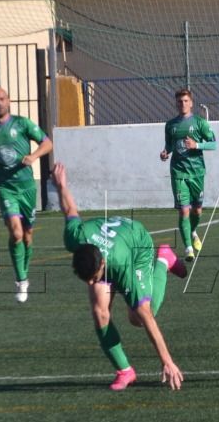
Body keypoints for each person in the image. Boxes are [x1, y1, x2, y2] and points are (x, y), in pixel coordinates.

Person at [52, 162, 186, 391]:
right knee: (99, 311)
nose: (92, 283)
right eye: (87, 280)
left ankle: (164, 259)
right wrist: (62, 186)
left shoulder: (121, 267)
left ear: (102, 265)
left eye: (94, 278)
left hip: (136, 245)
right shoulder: (75, 239)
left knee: (139, 316)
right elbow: (70, 212)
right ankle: (125, 371)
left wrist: (168, 362)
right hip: (111, 243)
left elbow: (147, 318)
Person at [0, 86, 53, 303]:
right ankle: (21, 280)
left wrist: (34, 155)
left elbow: (47, 143)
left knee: (27, 236)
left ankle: (24, 273)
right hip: (4, 187)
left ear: (9, 101)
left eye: (2, 99)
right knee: (16, 233)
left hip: (26, 187)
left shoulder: (23, 124)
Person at [160, 88, 217, 260]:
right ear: (176, 103)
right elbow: (169, 145)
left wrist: (197, 145)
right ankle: (188, 249)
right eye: (179, 101)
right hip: (178, 173)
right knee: (184, 211)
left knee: (197, 211)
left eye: (186, 101)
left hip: (197, 172)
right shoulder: (170, 125)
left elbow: (213, 144)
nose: (182, 104)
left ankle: (192, 231)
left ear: (191, 103)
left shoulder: (200, 122)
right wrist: (165, 152)